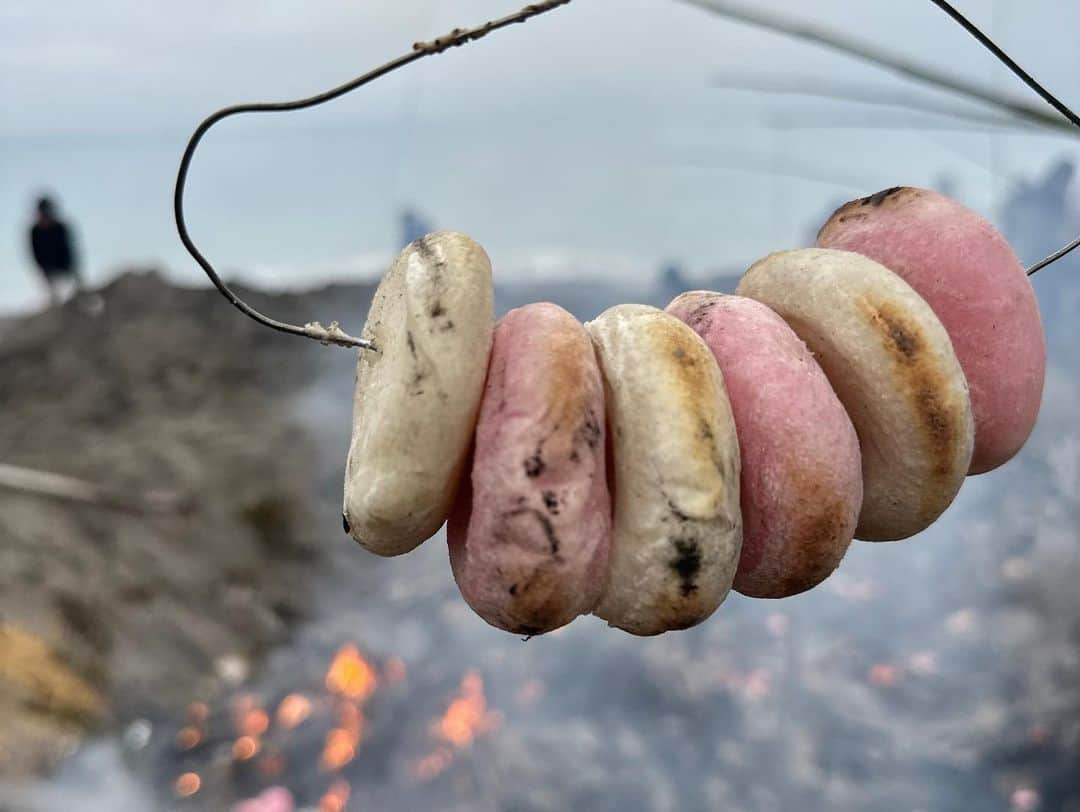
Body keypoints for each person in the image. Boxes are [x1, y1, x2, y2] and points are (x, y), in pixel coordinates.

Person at [29, 196, 83, 306]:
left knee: (75, 293)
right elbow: (36, 255)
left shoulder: (60, 228)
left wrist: (70, 271)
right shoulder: (35, 232)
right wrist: (46, 271)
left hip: (66, 270)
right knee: (54, 298)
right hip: (48, 272)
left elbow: (69, 251)